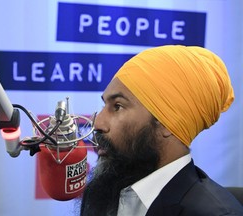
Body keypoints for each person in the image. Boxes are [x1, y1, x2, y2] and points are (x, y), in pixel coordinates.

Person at [79, 45, 243, 216]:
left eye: (118, 106)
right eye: (105, 105)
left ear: (166, 123)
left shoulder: (213, 213)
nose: (97, 123)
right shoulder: (103, 195)